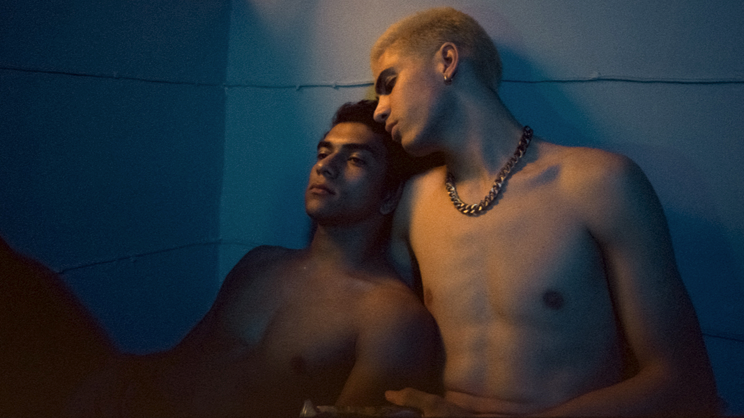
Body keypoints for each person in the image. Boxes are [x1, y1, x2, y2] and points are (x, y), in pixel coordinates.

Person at [370, 7, 719, 417]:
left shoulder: (597, 183)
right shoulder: (412, 202)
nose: (379, 109)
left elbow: (685, 385)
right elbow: (394, 353)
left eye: (388, 84)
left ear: (447, 61)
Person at [4, 100, 442, 417]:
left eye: (356, 160)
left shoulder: (393, 320)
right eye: (324, 152)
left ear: (389, 197)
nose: (326, 167)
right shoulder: (261, 264)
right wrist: (120, 381)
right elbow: (185, 360)